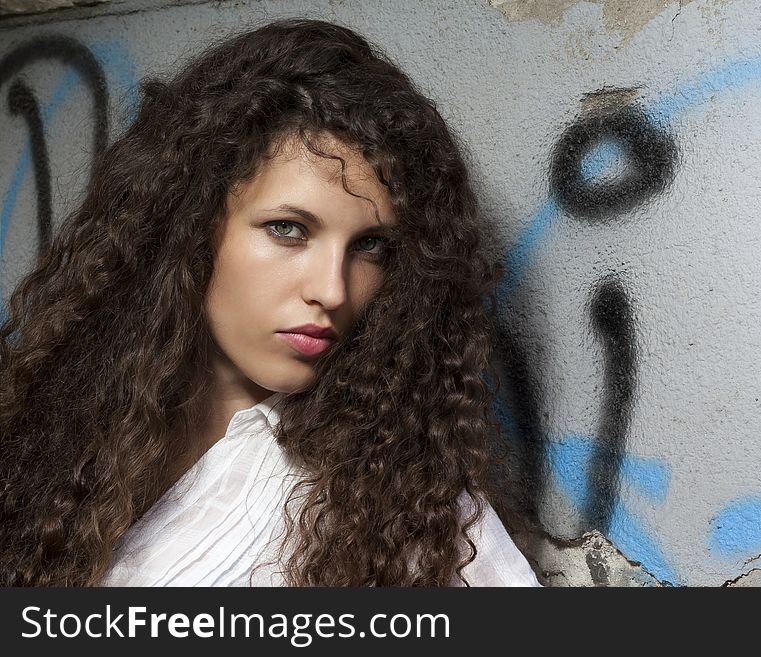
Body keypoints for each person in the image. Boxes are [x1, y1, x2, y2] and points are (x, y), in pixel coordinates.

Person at [0, 18, 541, 587]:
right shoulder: (52, 434)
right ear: (191, 227)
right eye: (288, 230)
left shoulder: (410, 503)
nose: (332, 290)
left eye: (372, 247)